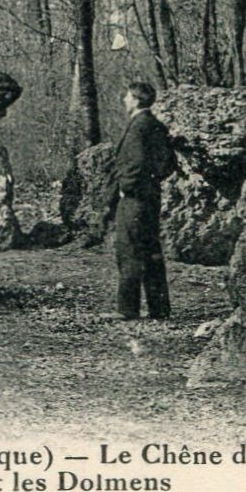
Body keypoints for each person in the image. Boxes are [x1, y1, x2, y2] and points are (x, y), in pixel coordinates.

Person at [108, 80, 177, 320]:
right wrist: (152, 182)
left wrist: (127, 188)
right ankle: (159, 308)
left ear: (136, 99)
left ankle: (128, 309)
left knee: (129, 250)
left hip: (135, 198)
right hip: (150, 197)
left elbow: (136, 162)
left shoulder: (139, 126)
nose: (124, 100)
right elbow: (168, 163)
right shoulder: (156, 125)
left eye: (127, 96)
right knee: (151, 251)